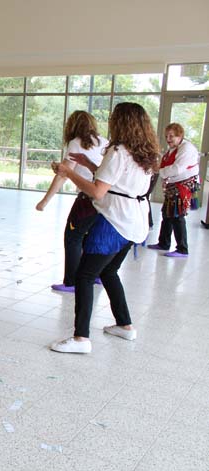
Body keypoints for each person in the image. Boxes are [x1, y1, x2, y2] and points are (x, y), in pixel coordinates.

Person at [50, 102, 160, 354]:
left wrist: (68, 172)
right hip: (135, 222)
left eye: (113, 117)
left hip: (115, 222)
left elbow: (97, 191)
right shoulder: (146, 152)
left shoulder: (118, 150)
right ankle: (125, 325)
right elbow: (118, 179)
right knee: (109, 272)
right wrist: (89, 164)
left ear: (121, 122)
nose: (109, 121)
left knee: (85, 276)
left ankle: (80, 339)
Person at [35, 111, 109, 293]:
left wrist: (45, 201)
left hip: (87, 198)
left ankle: (72, 281)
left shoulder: (76, 143)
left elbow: (63, 175)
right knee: (93, 237)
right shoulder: (104, 142)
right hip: (105, 198)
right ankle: (95, 274)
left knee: (73, 238)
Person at [147, 123, 200, 258]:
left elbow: (177, 168)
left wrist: (159, 171)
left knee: (177, 216)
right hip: (174, 184)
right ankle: (163, 242)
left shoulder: (187, 149)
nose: (168, 139)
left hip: (182, 186)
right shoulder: (174, 148)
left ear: (180, 135)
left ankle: (182, 249)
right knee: (167, 213)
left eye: (171, 136)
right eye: (166, 136)